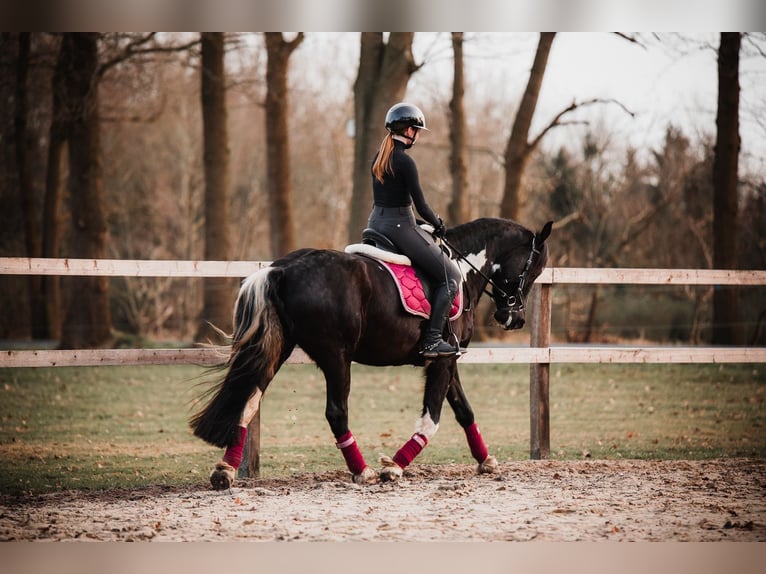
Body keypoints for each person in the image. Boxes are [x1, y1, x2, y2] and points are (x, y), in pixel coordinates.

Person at [367, 102, 462, 358]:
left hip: (376, 223)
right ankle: (431, 340)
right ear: (409, 131)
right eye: (417, 130)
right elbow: (421, 205)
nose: (418, 135)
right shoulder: (405, 162)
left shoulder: (379, 158)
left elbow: (391, 201)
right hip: (399, 227)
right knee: (451, 276)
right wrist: (439, 223)